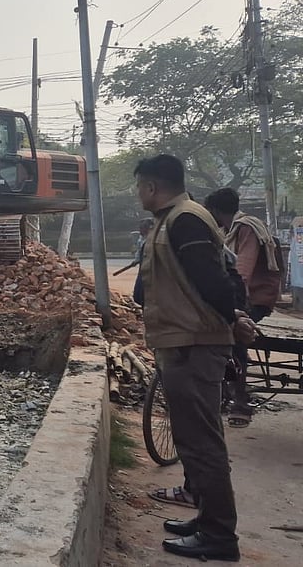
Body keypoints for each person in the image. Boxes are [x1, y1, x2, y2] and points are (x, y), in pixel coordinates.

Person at [133, 154, 255, 561]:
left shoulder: (185, 220)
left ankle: (220, 536)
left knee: (203, 443)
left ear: (152, 187)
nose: (138, 194)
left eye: (139, 187)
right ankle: (206, 519)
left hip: (194, 344)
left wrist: (233, 319)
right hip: (181, 342)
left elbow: (214, 280)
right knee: (192, 439)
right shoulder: (170, 222)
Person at [205, 187, 280, 428]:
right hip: (236, 293)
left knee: (236, 336)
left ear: (215, 211)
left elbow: (242, 270)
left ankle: (241, 401)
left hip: (256, 297)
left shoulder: (246, 228)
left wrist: (234, 307)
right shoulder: (225, 231)